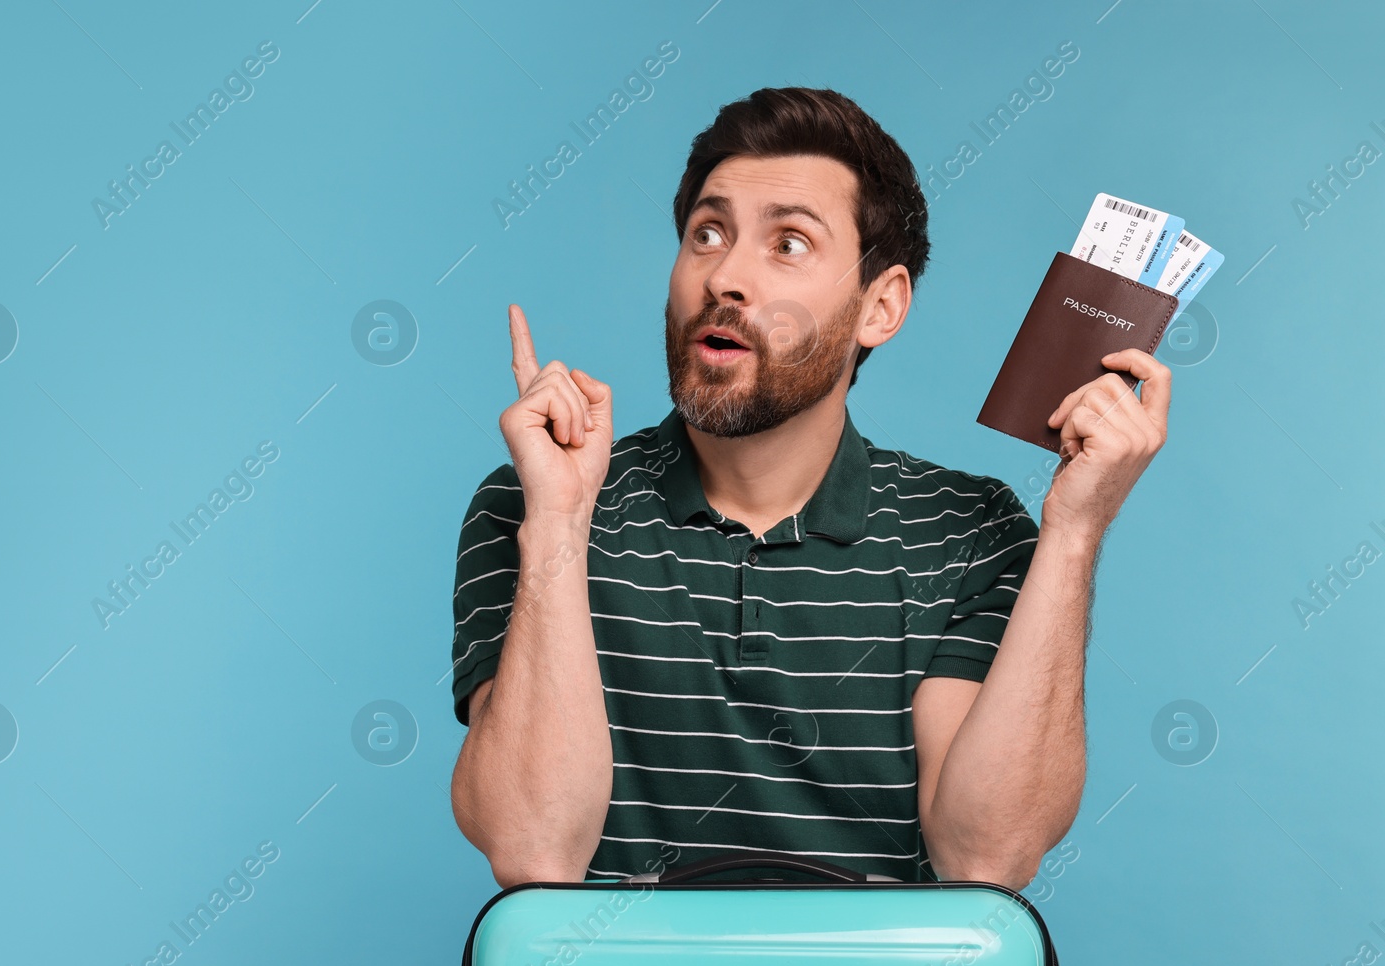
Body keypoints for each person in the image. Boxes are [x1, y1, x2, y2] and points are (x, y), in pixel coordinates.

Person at [448, 87, 1170, 889]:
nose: (726, 275)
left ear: (880, 305)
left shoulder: (971, 532)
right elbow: (530, 847)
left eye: (788, 243)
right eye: (707, 233)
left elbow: (986, 856)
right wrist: (557, 525)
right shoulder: (530, 502)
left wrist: (1074, 532)